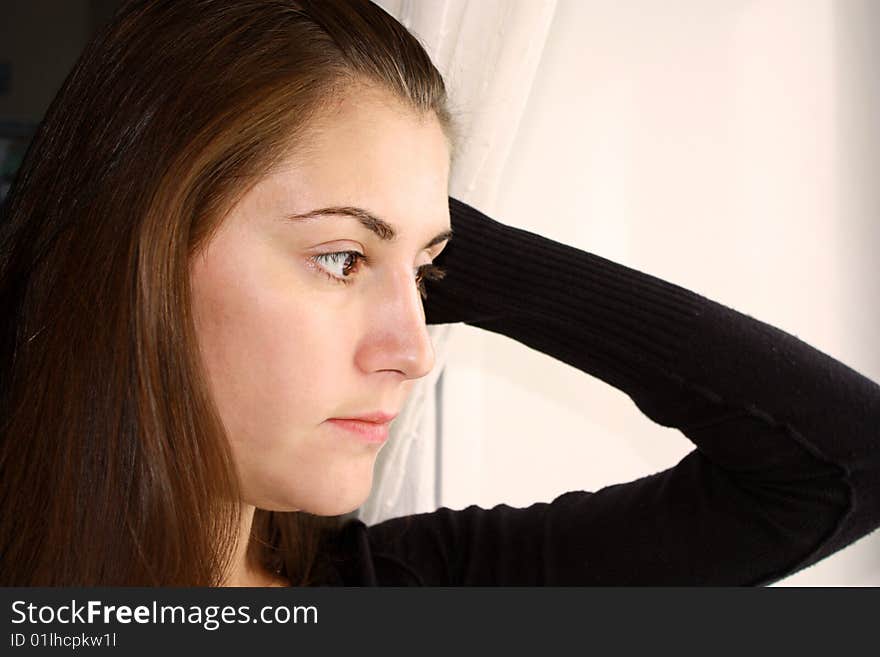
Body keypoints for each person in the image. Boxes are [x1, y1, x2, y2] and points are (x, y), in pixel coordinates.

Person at [0, 0, 877, 587]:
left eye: (427, 274)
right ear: (134, 260)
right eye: (341, 260)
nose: (414, 349)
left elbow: (843, 465)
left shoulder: (413, 584)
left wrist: (452, 248)